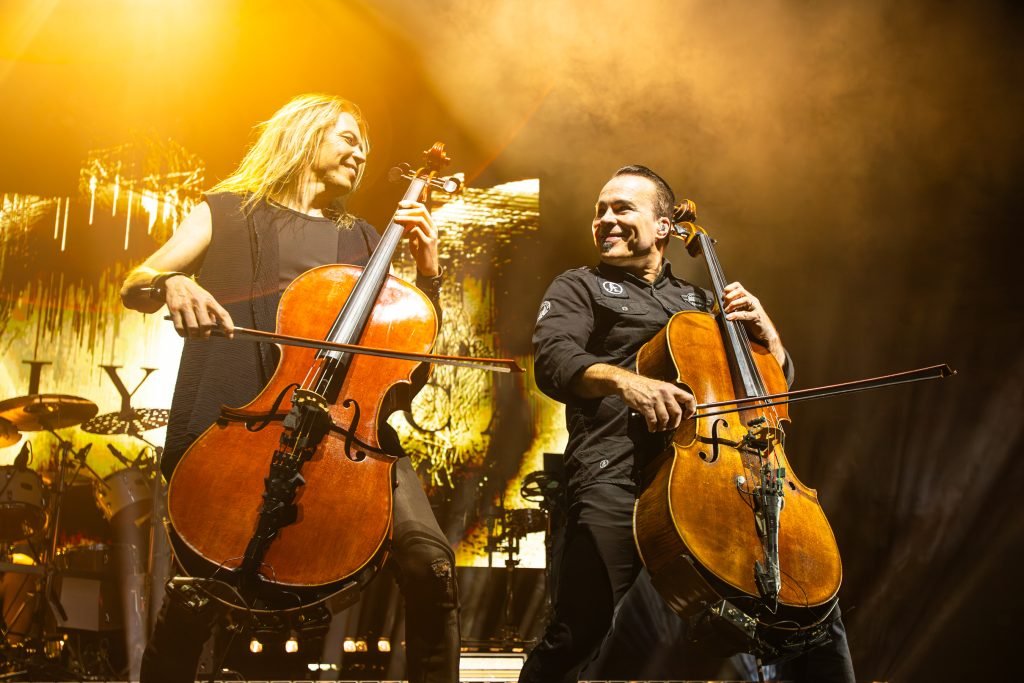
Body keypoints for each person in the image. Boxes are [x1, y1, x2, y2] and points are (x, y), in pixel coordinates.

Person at [120, 93, 459, 683]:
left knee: (431, 563)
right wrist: (172, 283)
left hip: (347, 434)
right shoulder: (227, 211)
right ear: (305, 135)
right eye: (349, 138)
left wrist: (427, 272)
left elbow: (403, 371)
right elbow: (138, 281)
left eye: (365, 145)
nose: (361, 153)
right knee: (202, 588)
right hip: (241, 421)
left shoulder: (364, 238)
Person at [519, 165, 856, 682]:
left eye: (622, 208)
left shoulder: (702, 302)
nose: (606, 219)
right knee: (577, 630)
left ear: (662, 227)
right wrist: (626, 382)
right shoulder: (579, 286)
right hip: (618, 475)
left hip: (714, 480)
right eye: (599, 210)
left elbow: (765, 389)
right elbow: (554, 358)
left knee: (809, 608)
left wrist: (772, 339)